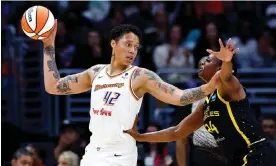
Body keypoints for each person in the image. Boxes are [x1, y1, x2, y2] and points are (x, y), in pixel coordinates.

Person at [42, 21, 219, 166]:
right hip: (93, 153)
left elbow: (179, 97)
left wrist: (209, 87)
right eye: (128, 44)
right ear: (113, 43)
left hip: (120, 155)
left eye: (136, 47)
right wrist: (48, 45)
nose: (132, 50)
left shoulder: (140, 76)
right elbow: (53, 86)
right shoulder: (95, 73)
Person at [125, 38, 276, 166]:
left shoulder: (230, 88)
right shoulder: (206, 104)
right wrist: (141, 137)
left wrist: (227, 62)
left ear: (219, 68)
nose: (203, 63)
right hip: (238, 160)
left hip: (257, 153)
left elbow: (226, 76)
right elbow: (176, 132)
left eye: (209, 60)